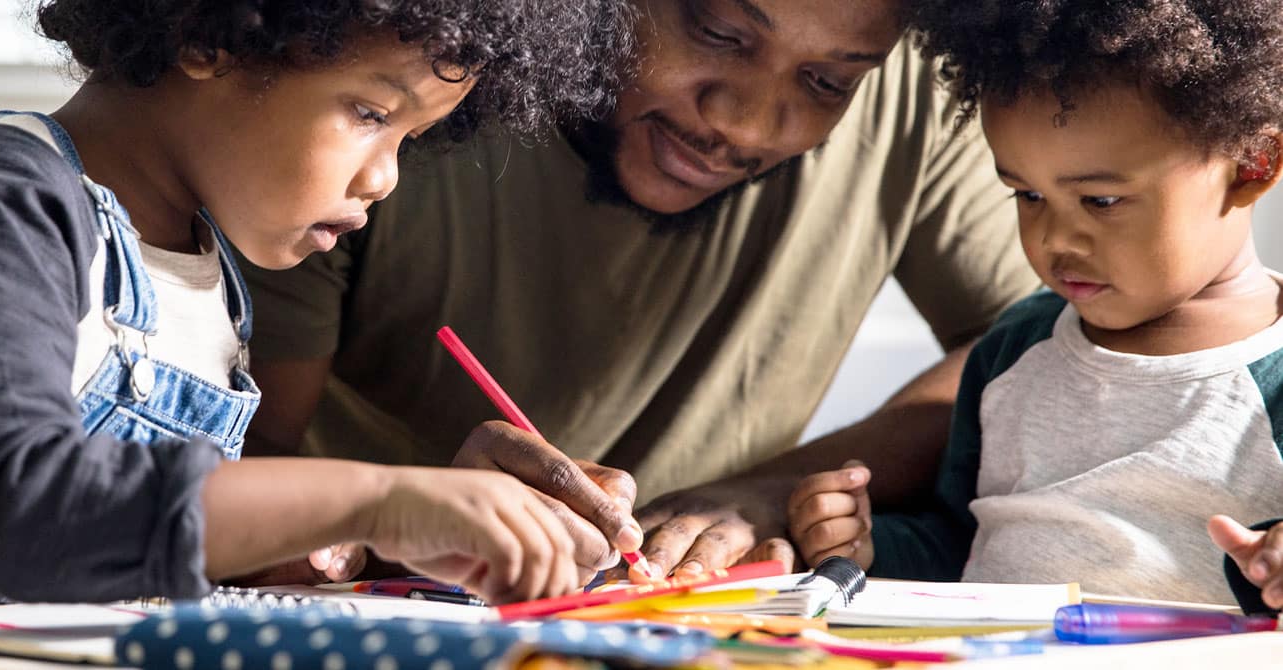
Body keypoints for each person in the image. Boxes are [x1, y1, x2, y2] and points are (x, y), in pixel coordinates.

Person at [240, 0, 1041, 583]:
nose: (749, 123)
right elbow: (235, 468)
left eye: (828, 82)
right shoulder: (393, 106)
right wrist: (389, 523)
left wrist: (769, 491)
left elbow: (1030, 351)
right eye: (721, 33)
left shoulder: (910, 86)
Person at [0, 0, 636, 605]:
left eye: (408, 140)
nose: (384, 178)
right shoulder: (10, 201)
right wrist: (378, 501)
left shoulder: (211, 269)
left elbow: (170, 539)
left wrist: (412, 527)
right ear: (206, 36)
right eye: (371, 113)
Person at [787, 0, 1283, 609]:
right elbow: (962, 543)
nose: (1053, 239)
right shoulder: (1014, 348)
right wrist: (868, 548)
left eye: (1100, 201)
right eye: (1027, 195)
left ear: (1252, 164)